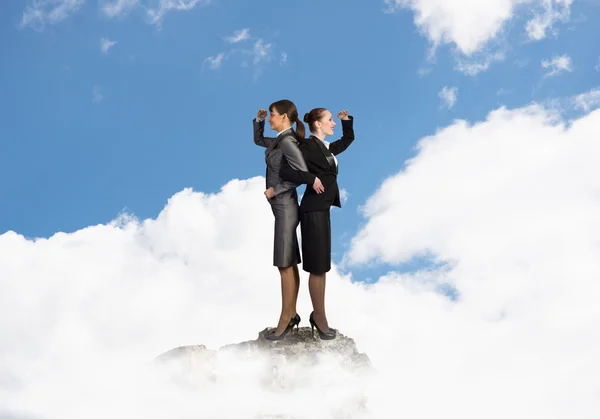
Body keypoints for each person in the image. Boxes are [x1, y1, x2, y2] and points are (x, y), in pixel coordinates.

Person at [280, 108, 355, 340]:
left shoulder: (326, 148)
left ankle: (318, 315)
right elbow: (285, 169)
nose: (333, 123)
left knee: (321, 265)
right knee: (318, 266)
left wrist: (346, 122)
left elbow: (348, 139)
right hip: (312, 210)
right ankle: (320, 319)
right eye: (330, 120)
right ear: (317, 124)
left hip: (322, 209)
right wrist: (310, 178)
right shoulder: (307, 147)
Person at [253, 99, 325, 341]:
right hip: (281, 208)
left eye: (272, 114)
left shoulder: (289, 142)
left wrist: (275, 190)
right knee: (288, 261)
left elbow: (301, 174)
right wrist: (259, 121)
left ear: (284, 117)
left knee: (284, 263)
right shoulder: (279, 139)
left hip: (285, 206)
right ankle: (291, 313)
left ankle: (286, 318)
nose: (270, 117)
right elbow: (258, 141)